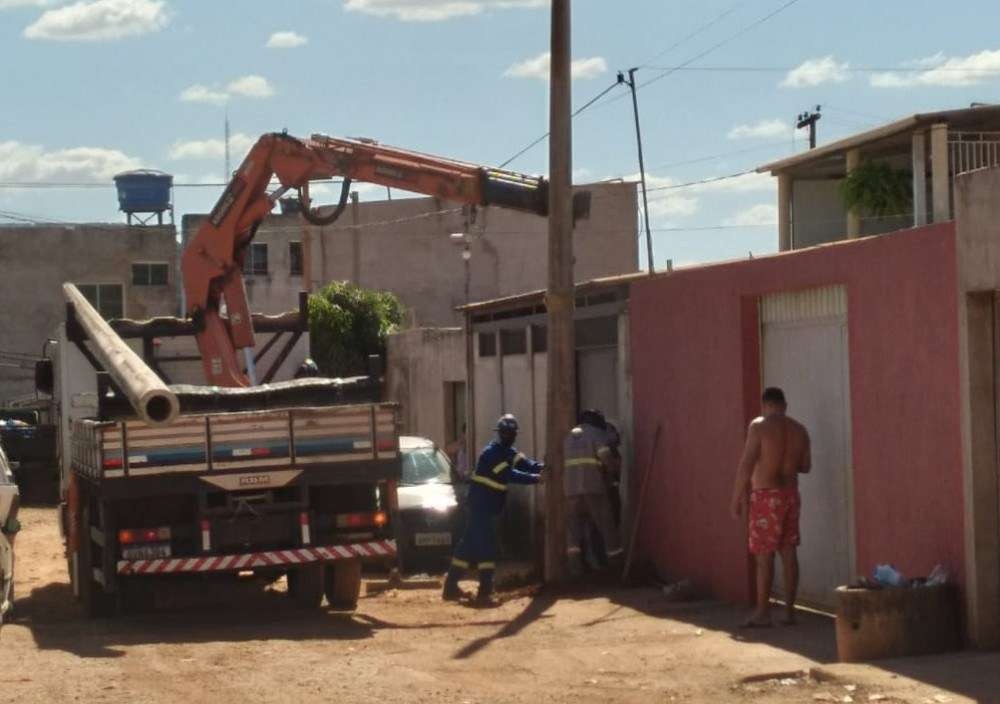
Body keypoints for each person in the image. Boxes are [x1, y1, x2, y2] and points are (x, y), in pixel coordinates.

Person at [729, 387, 811, 628]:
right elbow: (806, 466)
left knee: (764, 557)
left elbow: (746, 464)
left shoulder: (758, 426)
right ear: (784, 404)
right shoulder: (800, 430)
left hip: (766, 495)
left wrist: (735, 498)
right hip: (790, 494)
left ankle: (762, 612)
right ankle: (789, 612)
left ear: (765, 404)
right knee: (789, 552)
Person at [442, 414, 543, 606]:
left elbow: (526, 464)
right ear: (499, 434)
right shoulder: (491, 453)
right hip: (480, 507)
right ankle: (485, 590)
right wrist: (536, 479)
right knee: (486, 546)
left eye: (511, 433)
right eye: (506, 433)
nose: (509, 436)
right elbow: (509, 474)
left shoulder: (509, 452)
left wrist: (544, 468)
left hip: (486, 508)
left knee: (466, 547)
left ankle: (450, 587)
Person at [564, 409, 624, 577]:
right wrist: (615, 469)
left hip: (571, 490)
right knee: (607, 526)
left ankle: (575, 570)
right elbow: (606, 458)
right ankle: (616, 567)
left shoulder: (568, 437)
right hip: (593, 488)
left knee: (574, 531)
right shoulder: (597, 434)